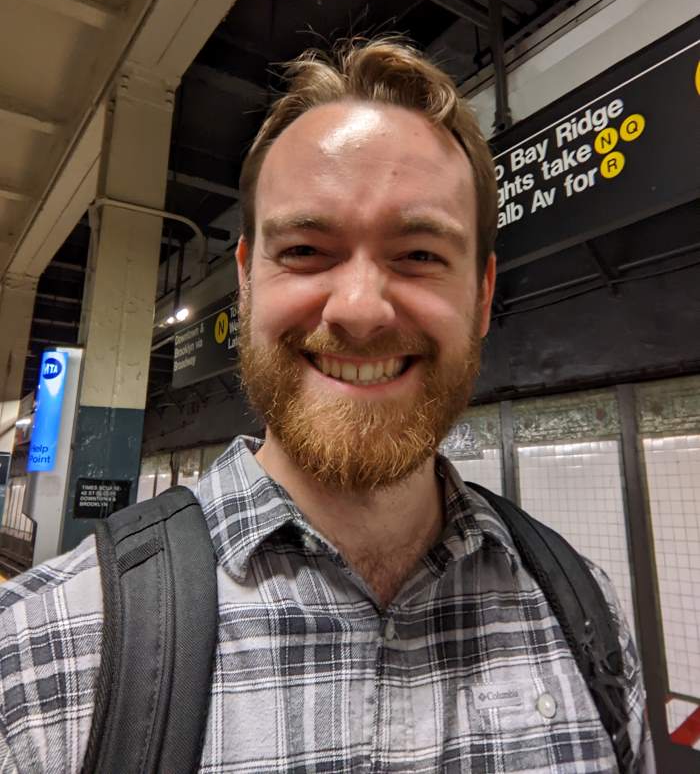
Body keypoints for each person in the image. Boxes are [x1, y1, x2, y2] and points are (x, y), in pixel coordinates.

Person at [0, 38, 653, 772]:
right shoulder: (39, 659)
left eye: (419, 254)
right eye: (307, 250)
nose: (360, 310)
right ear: (246, 282)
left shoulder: (584, 616)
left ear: (482, 293)